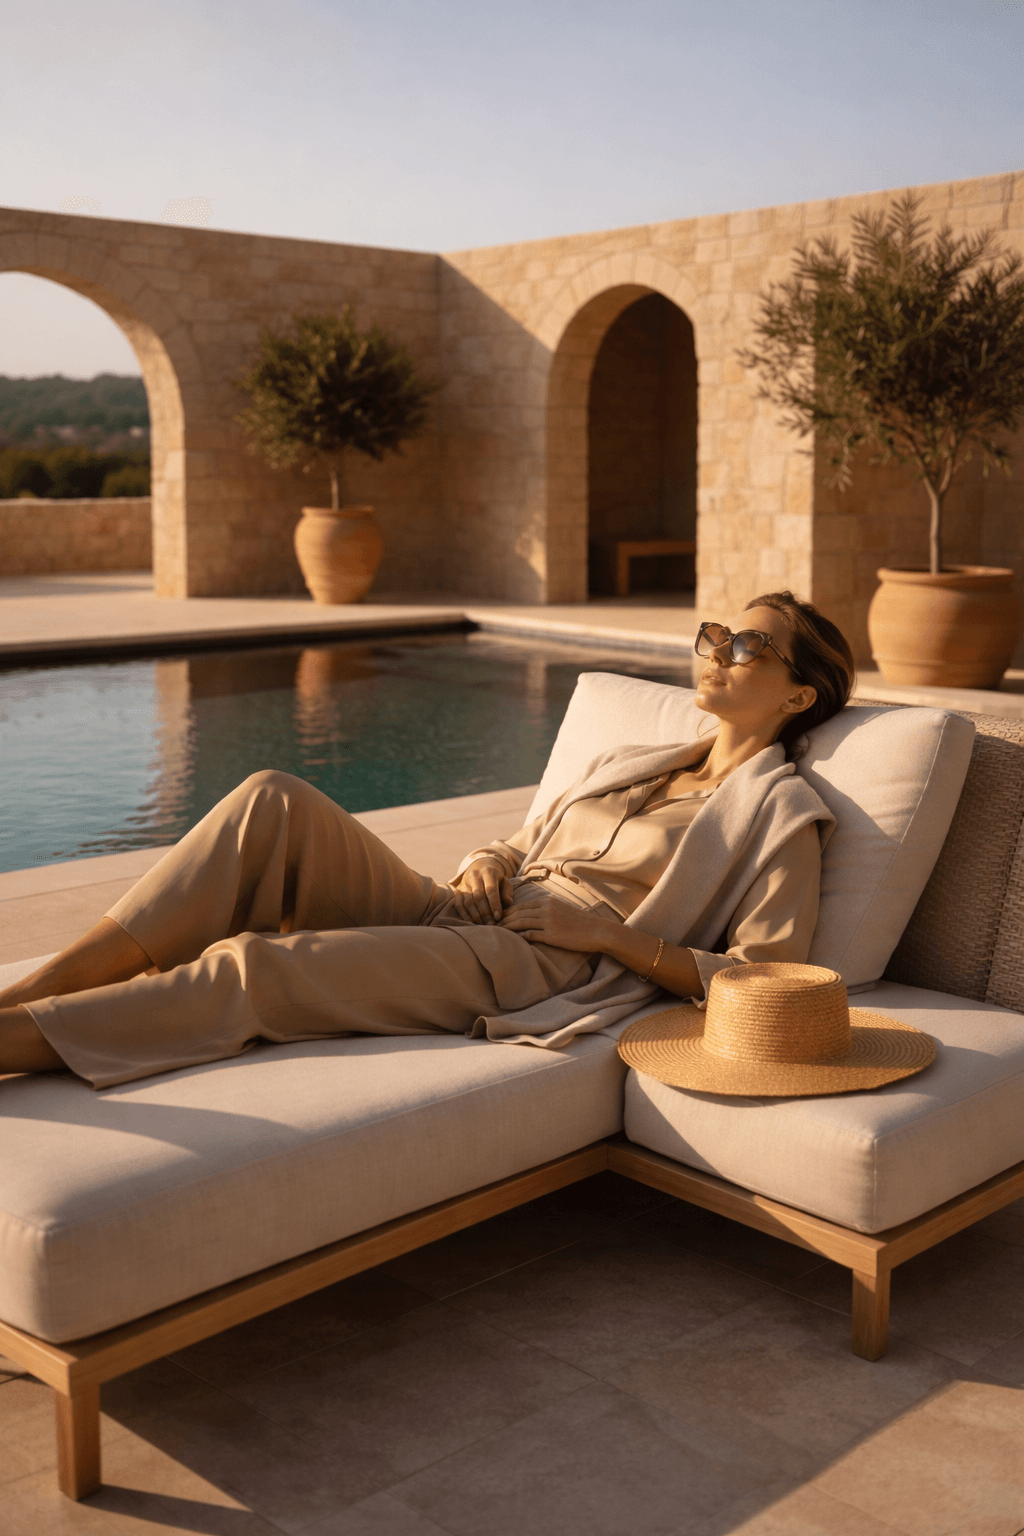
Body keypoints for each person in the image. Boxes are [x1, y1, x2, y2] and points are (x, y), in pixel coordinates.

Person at [0, 591, 854, 1088]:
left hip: (537, 968)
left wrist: (608, 937)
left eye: (747, 646)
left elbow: (763, 979)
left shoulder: (781, 817)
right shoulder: (639, 759)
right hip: (468, 908)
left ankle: (12, 1043)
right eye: (714, 634)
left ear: (797, 697)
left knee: (264, 965)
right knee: (272, 800)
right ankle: (32, 993)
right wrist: (489, 858)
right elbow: (528, 838)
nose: (716, 652)